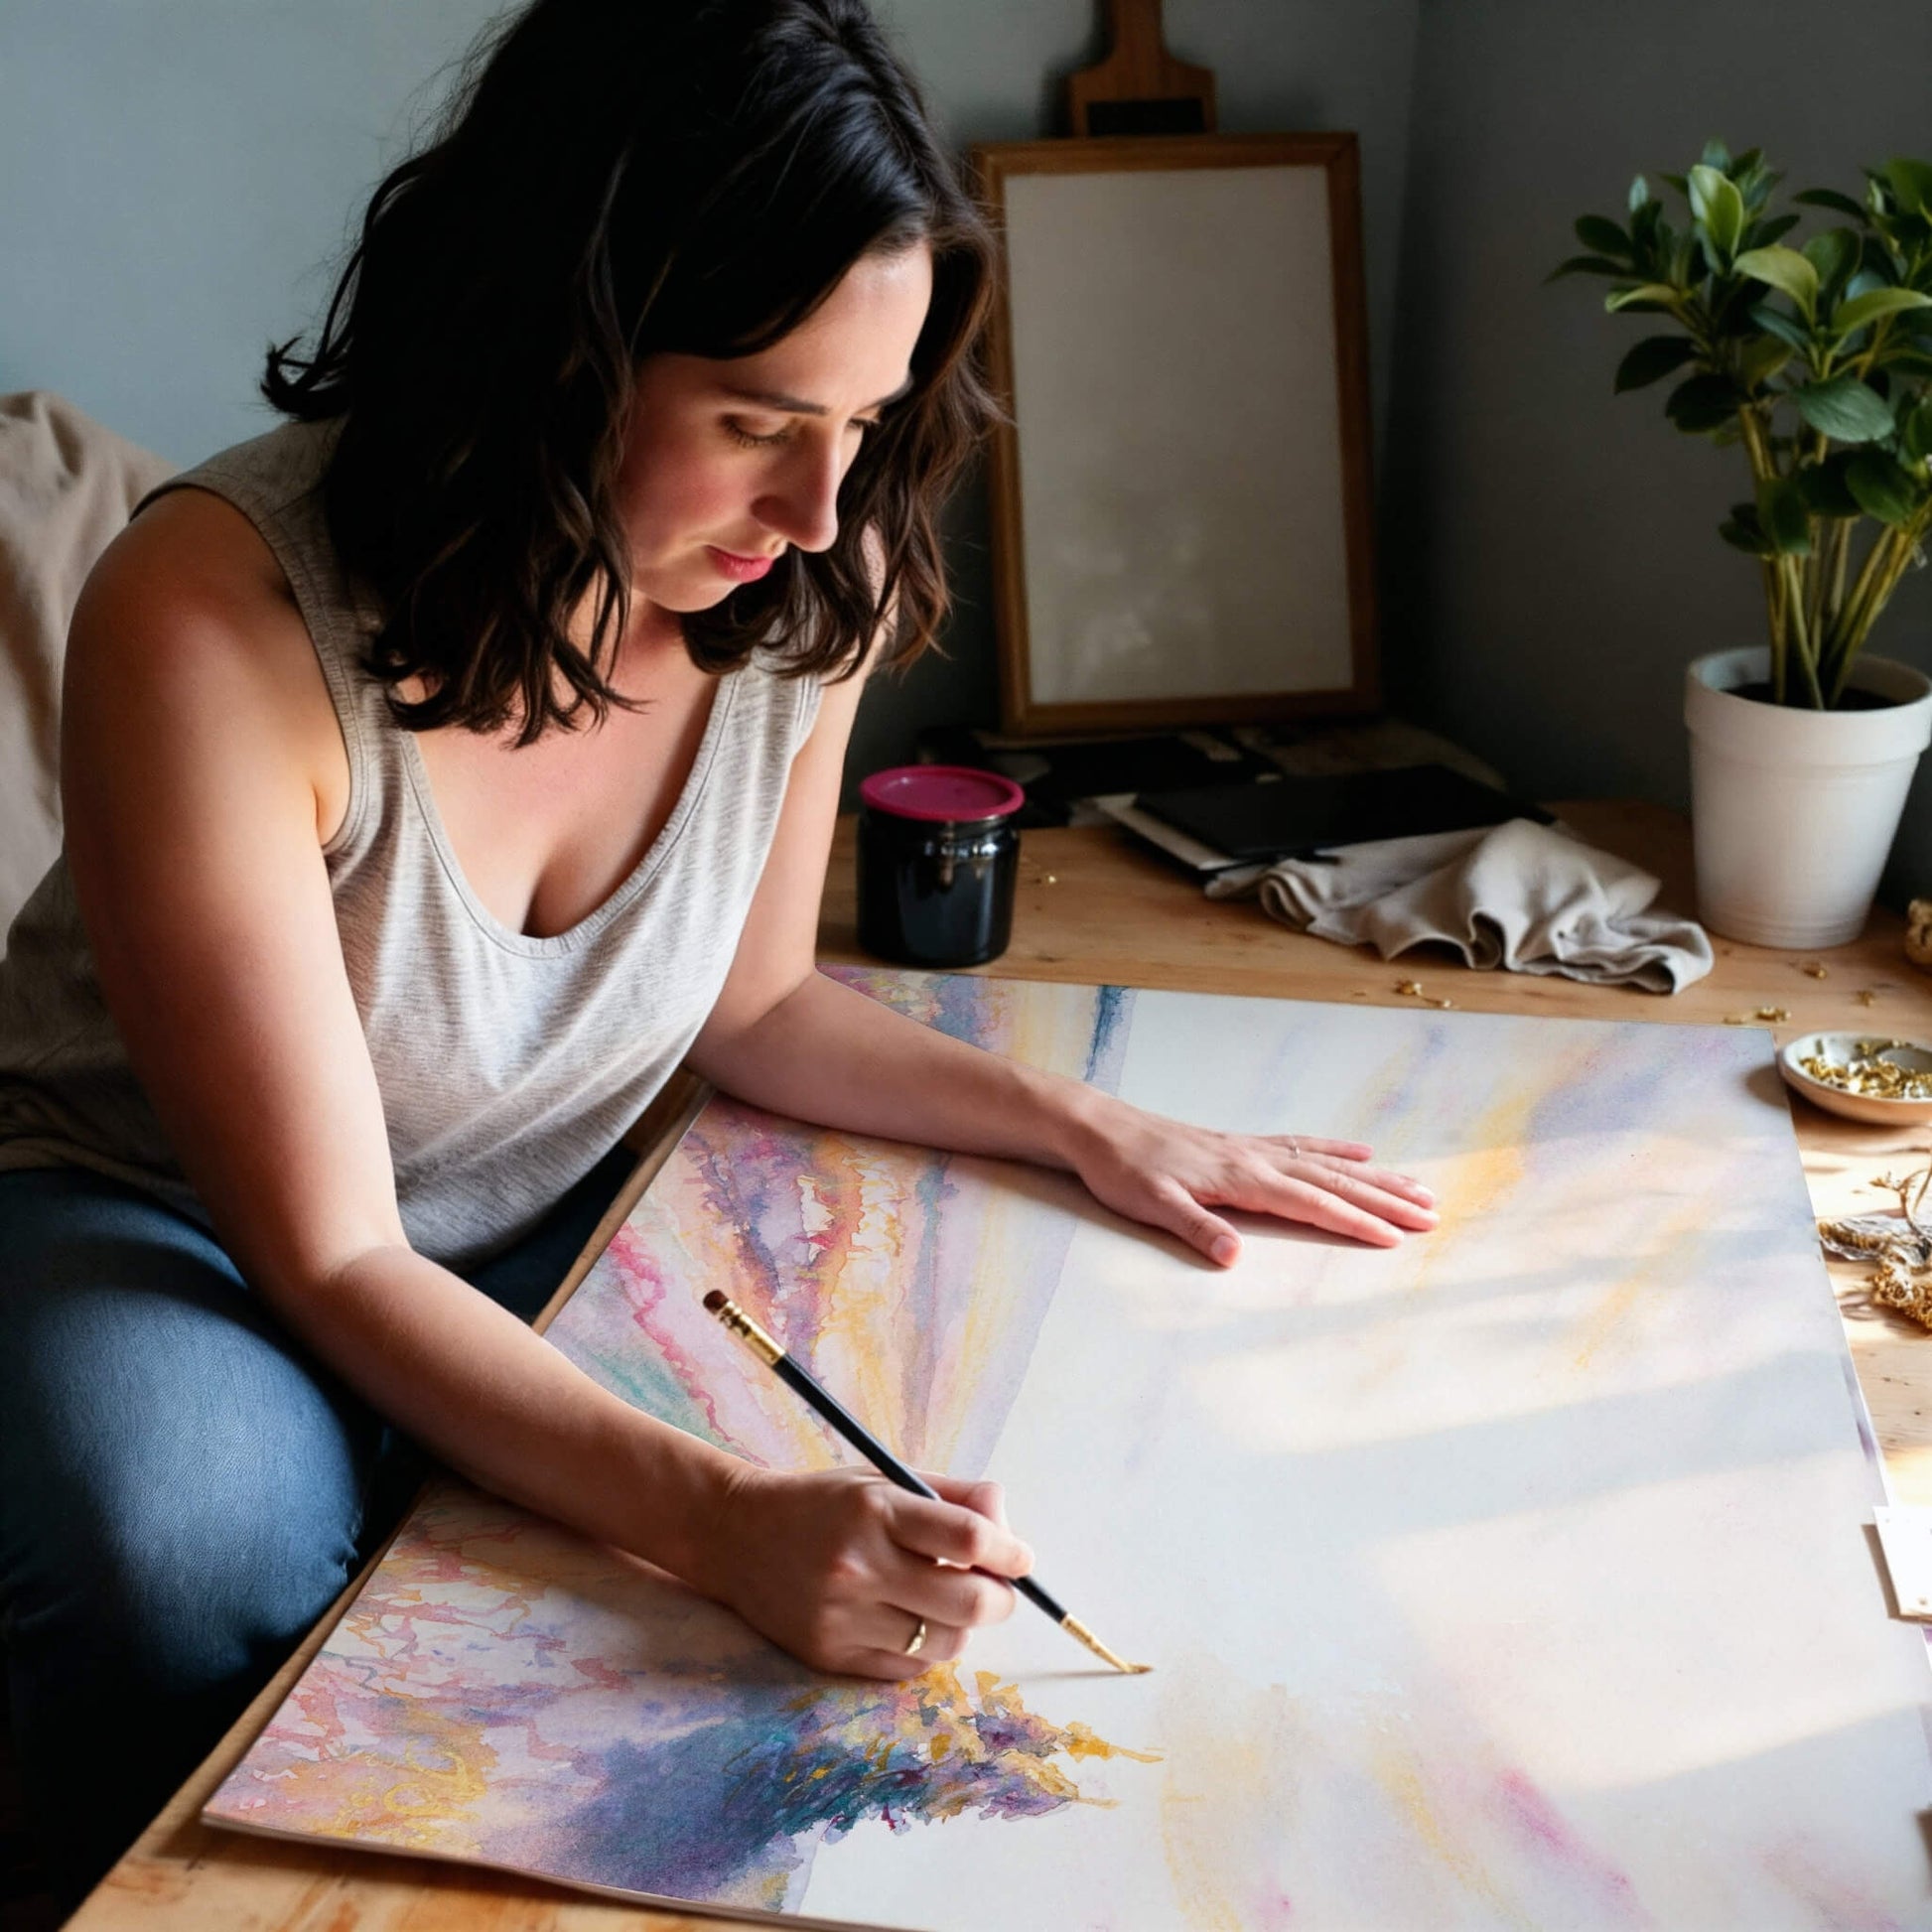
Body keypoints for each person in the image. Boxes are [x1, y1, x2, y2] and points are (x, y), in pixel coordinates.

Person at [0, 0, 1438, 1903]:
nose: (819, 507)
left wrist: (1087, 1124)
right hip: (156, 1211)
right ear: (550, 347)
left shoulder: (806, 575)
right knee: (190, 1547)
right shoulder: (211, 616)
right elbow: (333, 1248)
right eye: (758, 422)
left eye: (864, 424)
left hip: (520, 1197)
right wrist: (723, 1520)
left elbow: (751, 1004)